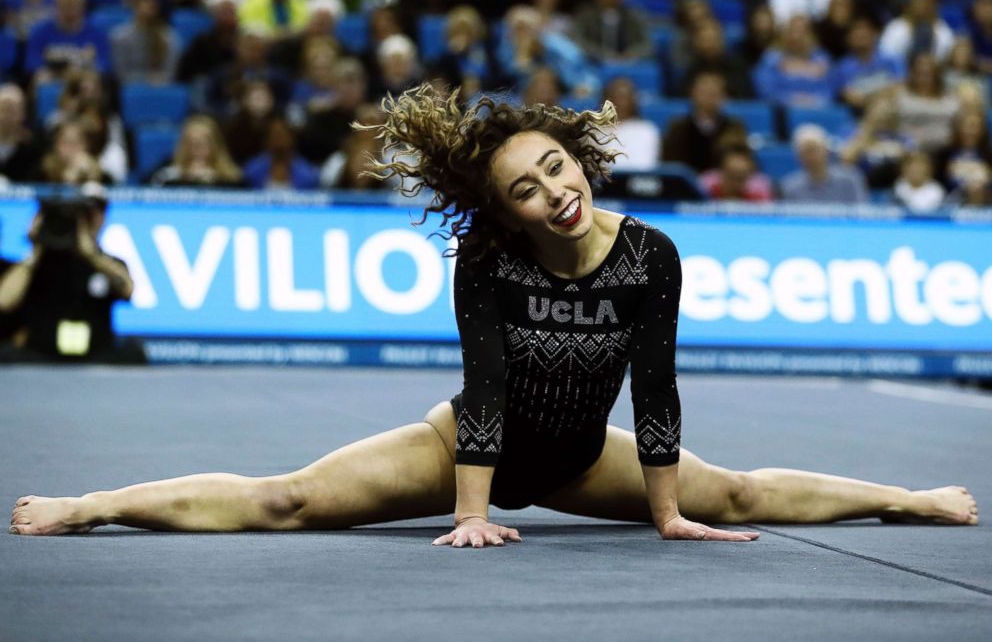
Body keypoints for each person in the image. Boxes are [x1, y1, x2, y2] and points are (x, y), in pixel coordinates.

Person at [9, 85, 978, 539]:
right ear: (503, 210)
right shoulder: (488, 258)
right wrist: (471, 513)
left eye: (553, 165)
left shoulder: (651, 253)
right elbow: (485, 385)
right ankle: (92, 505)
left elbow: (654, 387)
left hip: (575, 452)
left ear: (576, 158)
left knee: (735, 494)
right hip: (468, 443)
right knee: (287, 501)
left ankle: (905, 497)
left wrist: (668, 510)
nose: (551, 191)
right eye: (523, 187)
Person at [0, 183, 144, 364]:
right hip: (42, 357)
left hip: (95, 358)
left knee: (133, 351)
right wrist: (37, 248)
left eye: (87, 216)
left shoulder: (108, 263)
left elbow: (128, 290)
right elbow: (3, 302)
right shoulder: (34, 264)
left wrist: (90, 254)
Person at [662, 70, 749, 173]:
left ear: (724, 97)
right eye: (704, 92)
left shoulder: (734, 128)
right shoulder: (678, 127)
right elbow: (669, 165)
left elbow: (745, 163)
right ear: (692, 93)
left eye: (713, 93)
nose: (708, 97)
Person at [23, 0, 110, 83]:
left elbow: (104, 65)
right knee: (42, 81)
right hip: (51, 79)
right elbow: (32, 62)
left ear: (83, 4)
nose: (69, 7)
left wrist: (79, 74)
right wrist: (56, 73)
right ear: (56, 3)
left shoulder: (97, 33)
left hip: (83, 81)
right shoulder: (40, 31)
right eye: (65, 2)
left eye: (74, 2)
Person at [109, 0, 181, 85]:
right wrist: (147, 79)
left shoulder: (169, 37)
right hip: (133, 92)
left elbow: (171, 73)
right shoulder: (119, 37)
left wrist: (159, 80)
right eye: (145, 0)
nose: (150, 4)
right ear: (135, 3)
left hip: (162, 90)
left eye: (153, 1)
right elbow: (121, 75)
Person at [781, 123, 869, 203]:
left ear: (825, 150)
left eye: (813, 150)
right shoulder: (790, 187)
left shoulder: (850, 180)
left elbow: (862, 215)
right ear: (798, 156)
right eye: (805, 152)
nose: (810, 157)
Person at [149, 115, 244, 187]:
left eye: (203, 142)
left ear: (215, 145)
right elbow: (148, 188)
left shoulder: (231, 176)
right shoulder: (167, 169)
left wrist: (215, 180)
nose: (197, 148)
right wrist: (184, 178)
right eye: (192, 142)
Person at [571, 0, 652, 62]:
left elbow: (647, 45)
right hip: (595, 63)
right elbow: (577, 41)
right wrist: (603, 54)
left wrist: (631, 53)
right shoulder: (585, 16)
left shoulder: (632, 16)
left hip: (629, 65)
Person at [601, 77, 659, 171]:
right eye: (614, 96)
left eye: (624, 96)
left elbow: (648, 167)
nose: (619, 101)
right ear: (605, 99)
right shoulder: (592, 130)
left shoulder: (647, 130)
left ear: (634, 100)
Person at [0, 84, 44, 184]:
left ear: (22, 113)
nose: (7, 115)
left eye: (12, 109)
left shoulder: (33, 146)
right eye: (3, 108)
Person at [698, 145, 774, 202]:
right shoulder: (706, 188)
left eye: (740, 179)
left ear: (748, 176)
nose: (735, 183)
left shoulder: (758, 195)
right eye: (731, 177)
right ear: (722, 172)